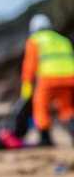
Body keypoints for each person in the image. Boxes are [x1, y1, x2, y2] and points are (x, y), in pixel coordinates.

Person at [20, 14, 74, 146]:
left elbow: (30, 66)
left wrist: (26, 88)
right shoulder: (62, 39)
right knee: (66, 108)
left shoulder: (35, 40)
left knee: (40, 106)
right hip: (69, 78)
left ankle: (45, 139)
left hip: (48, 79)